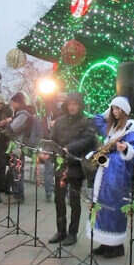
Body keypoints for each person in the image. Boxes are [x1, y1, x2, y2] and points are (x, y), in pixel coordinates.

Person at [87, 97, 134, 258]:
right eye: (113, 109)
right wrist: (100, 158)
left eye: (119, 109)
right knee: (101, 206)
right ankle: (104, 242)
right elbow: (96, 120)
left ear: (125, 111)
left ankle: (116, 246)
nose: (115, 112)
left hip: (118, 174)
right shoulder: (111, 127)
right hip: (105, 172)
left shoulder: (131, 127)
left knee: (114, 208)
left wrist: (125, 147)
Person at [49, 93, 97, 246]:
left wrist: (69, 148)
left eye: (75, 104)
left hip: (76, 166)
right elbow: (53, 139)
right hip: (60, 164)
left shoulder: (86, 122)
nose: (72, 107)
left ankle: (72, 233)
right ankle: (60, 231)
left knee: (74, 201)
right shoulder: (60, 121)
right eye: (69, 104)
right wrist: (52, 151)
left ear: (80, 105)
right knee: (59, 199)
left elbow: (88, 139)